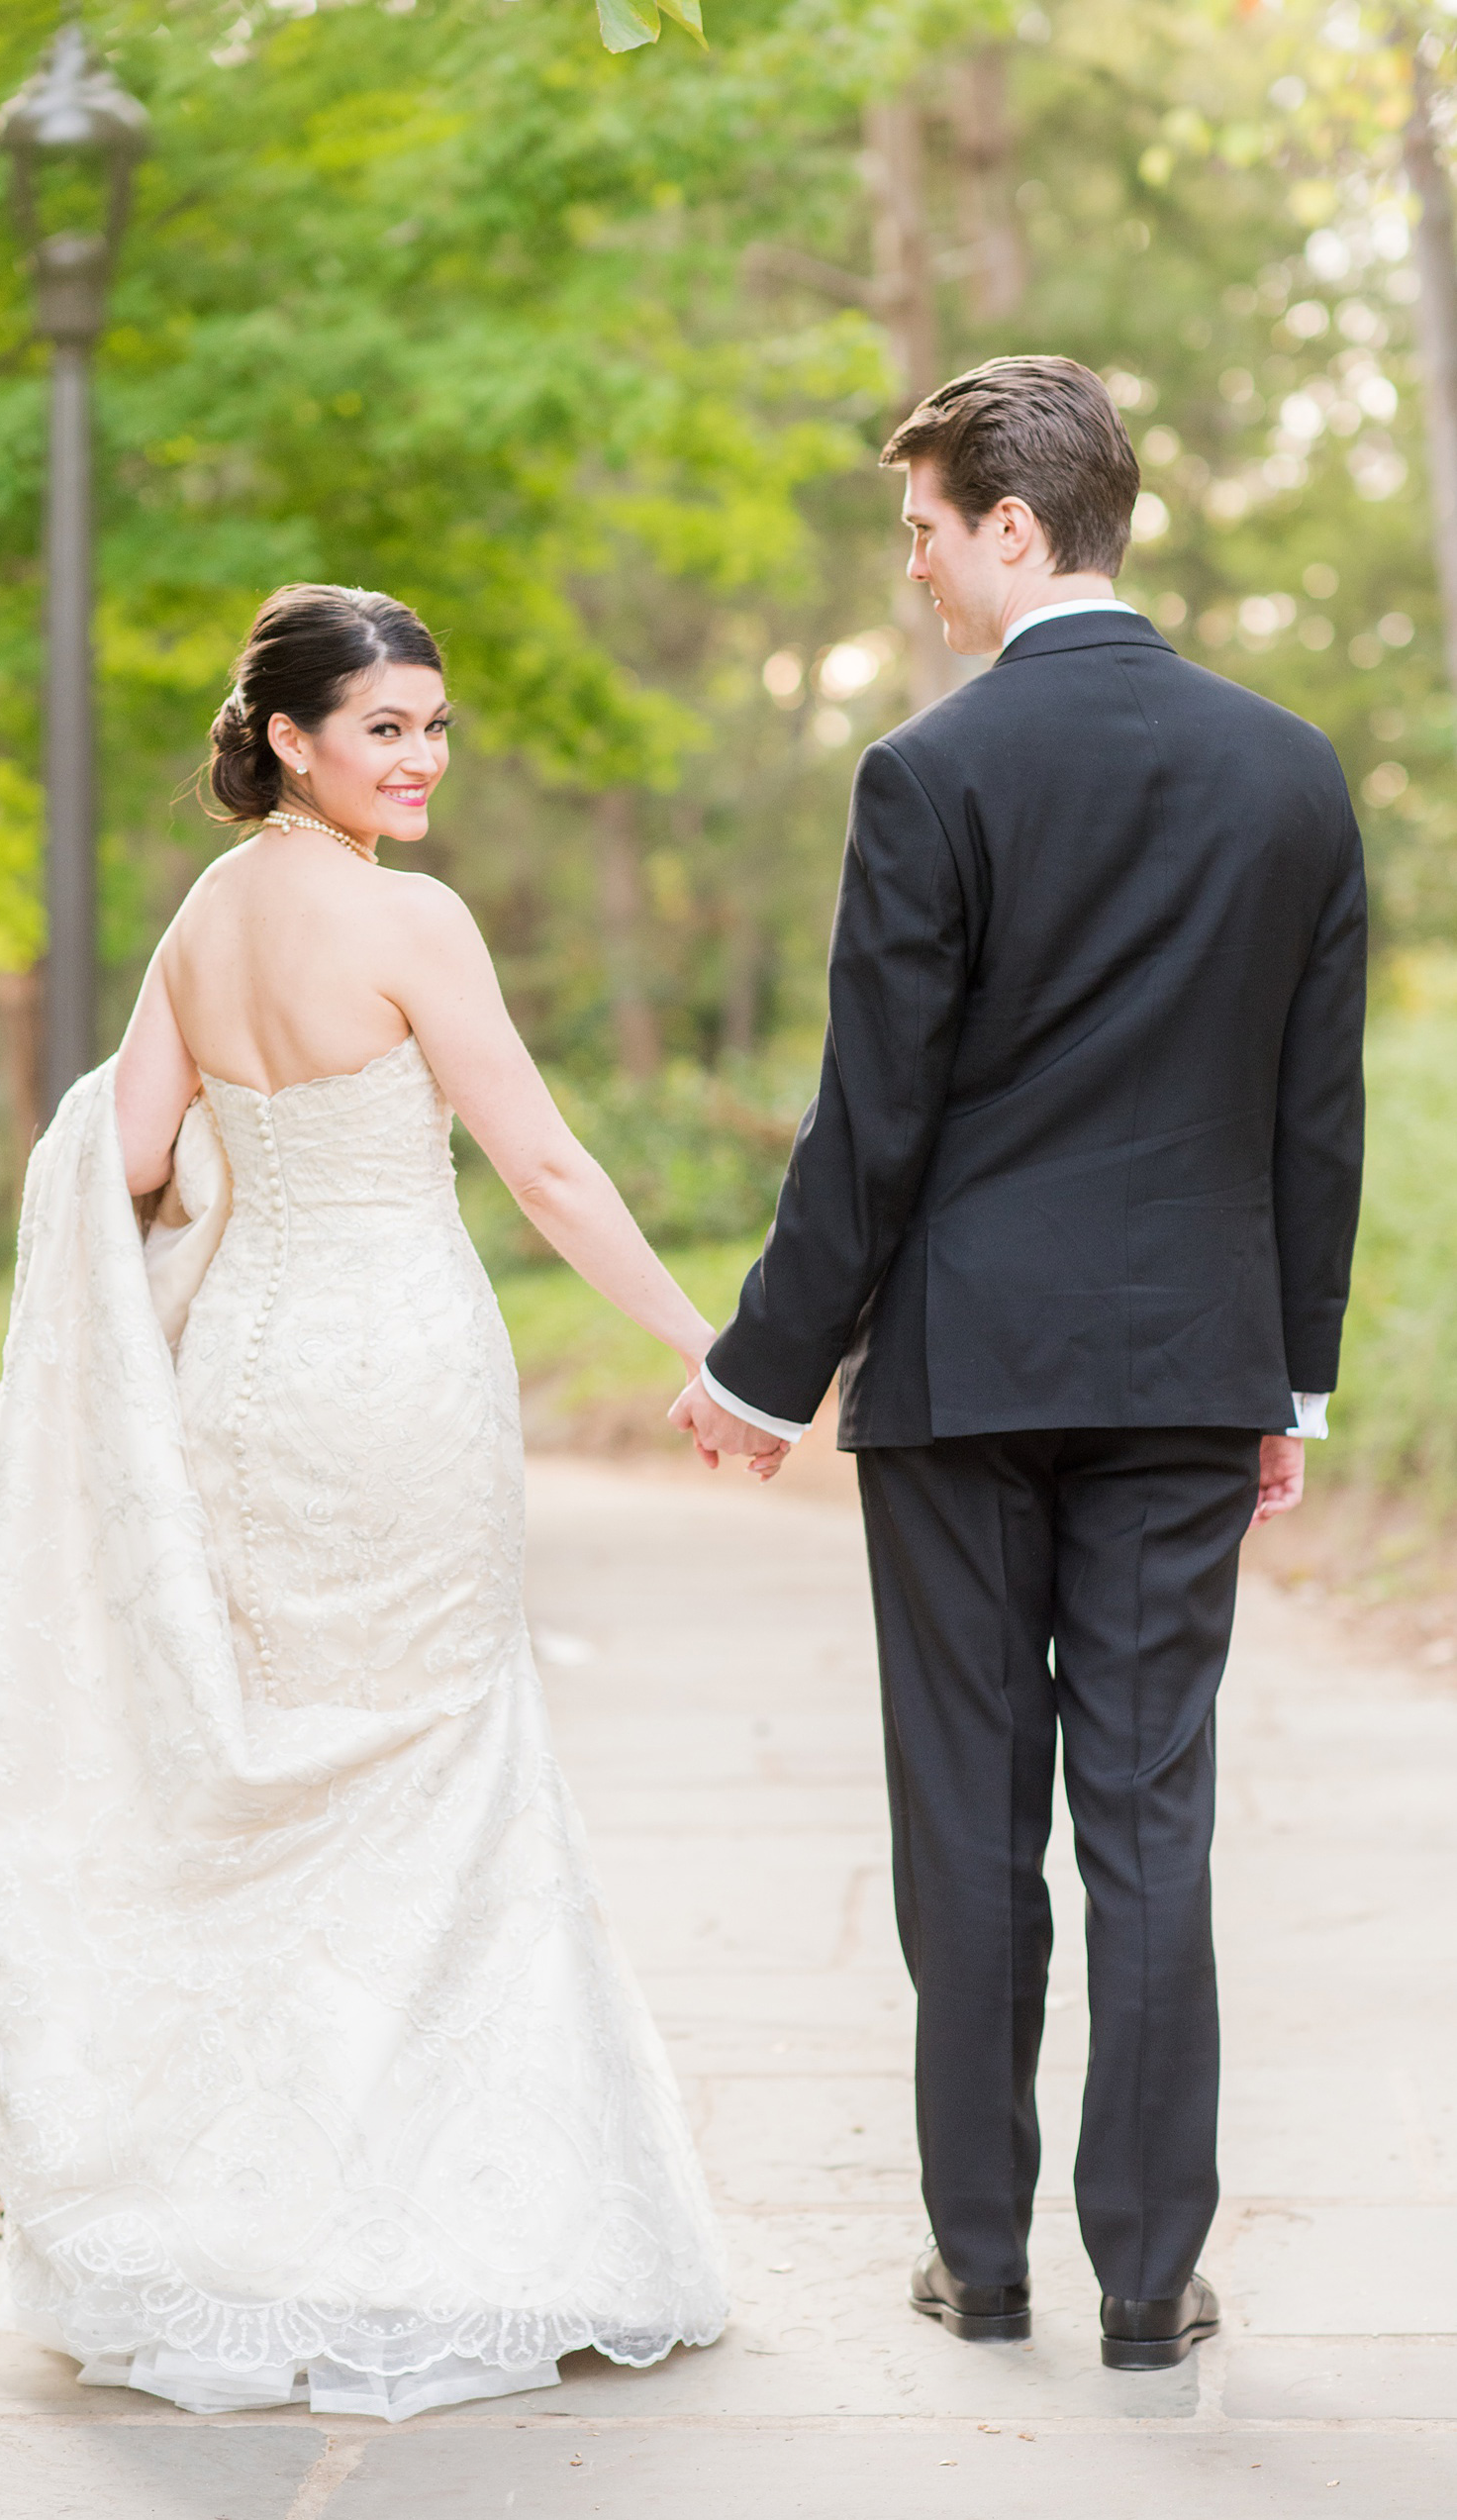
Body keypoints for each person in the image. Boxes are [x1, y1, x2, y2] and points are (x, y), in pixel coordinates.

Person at [0, 583, 733, 2421]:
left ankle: (247, 2216)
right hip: (395, 1375)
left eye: (436, 727)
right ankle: (439, 2219)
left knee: (282, 1762)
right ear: (292, 736)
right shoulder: (409, 920)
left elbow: (126, 1162)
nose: (422, 760)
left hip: (245, 1378)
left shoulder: (205, 920)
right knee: (433, 1757)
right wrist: (706, 1342)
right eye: (386, 727)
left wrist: (237, 1144)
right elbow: (538, 1158)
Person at [671, 355, 1367, 2372]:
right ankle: (1147, 2280)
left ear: (1009, 521)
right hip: (1185, 1370)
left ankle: (980, 2258)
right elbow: (1308, 1120)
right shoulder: (1289, 772)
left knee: (966, 1815)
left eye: (918, 532)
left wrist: (759, 1366)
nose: (908, 577)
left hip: (965, 1376)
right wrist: (1289, 1382)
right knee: (1150, 1811)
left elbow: (869, 1117)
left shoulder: (932, 773)